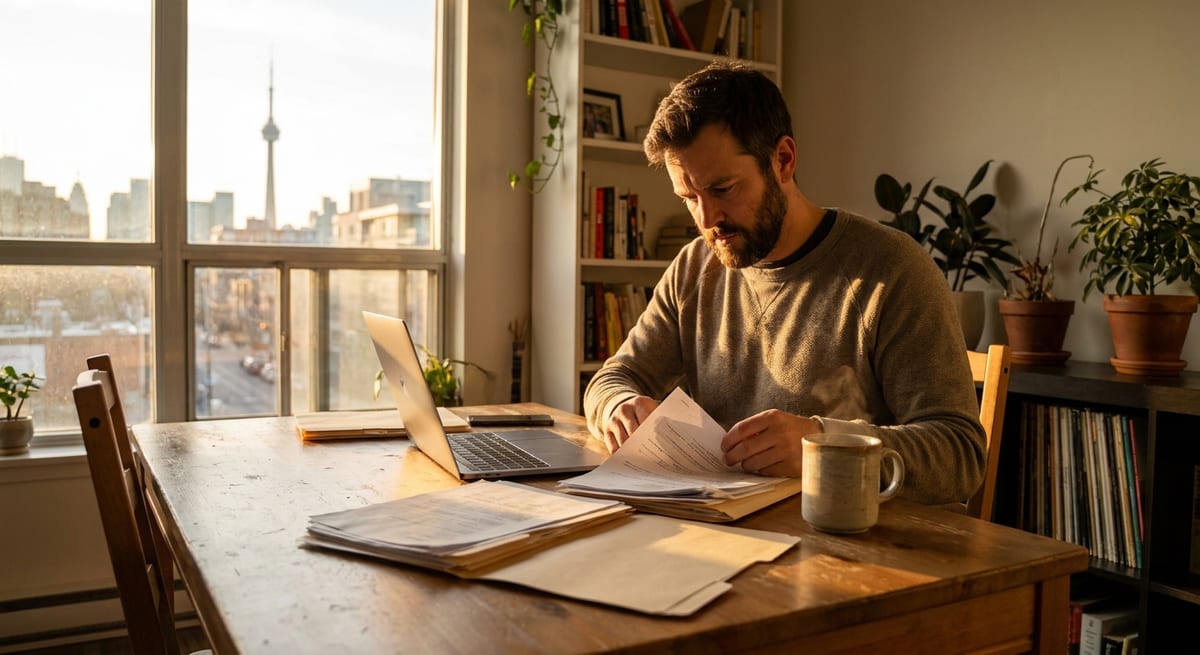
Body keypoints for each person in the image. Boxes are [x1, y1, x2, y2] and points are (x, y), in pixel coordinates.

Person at [582, 60, 986, 505]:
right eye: (689, 198)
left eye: (723, 189)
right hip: (733, 537)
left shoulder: (890, 270)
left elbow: (960, 455)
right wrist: (616, 408)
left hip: (857, 551)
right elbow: (614, 377)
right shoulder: (695, 267)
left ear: (783, 161)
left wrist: (823, 443)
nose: (706, 219)